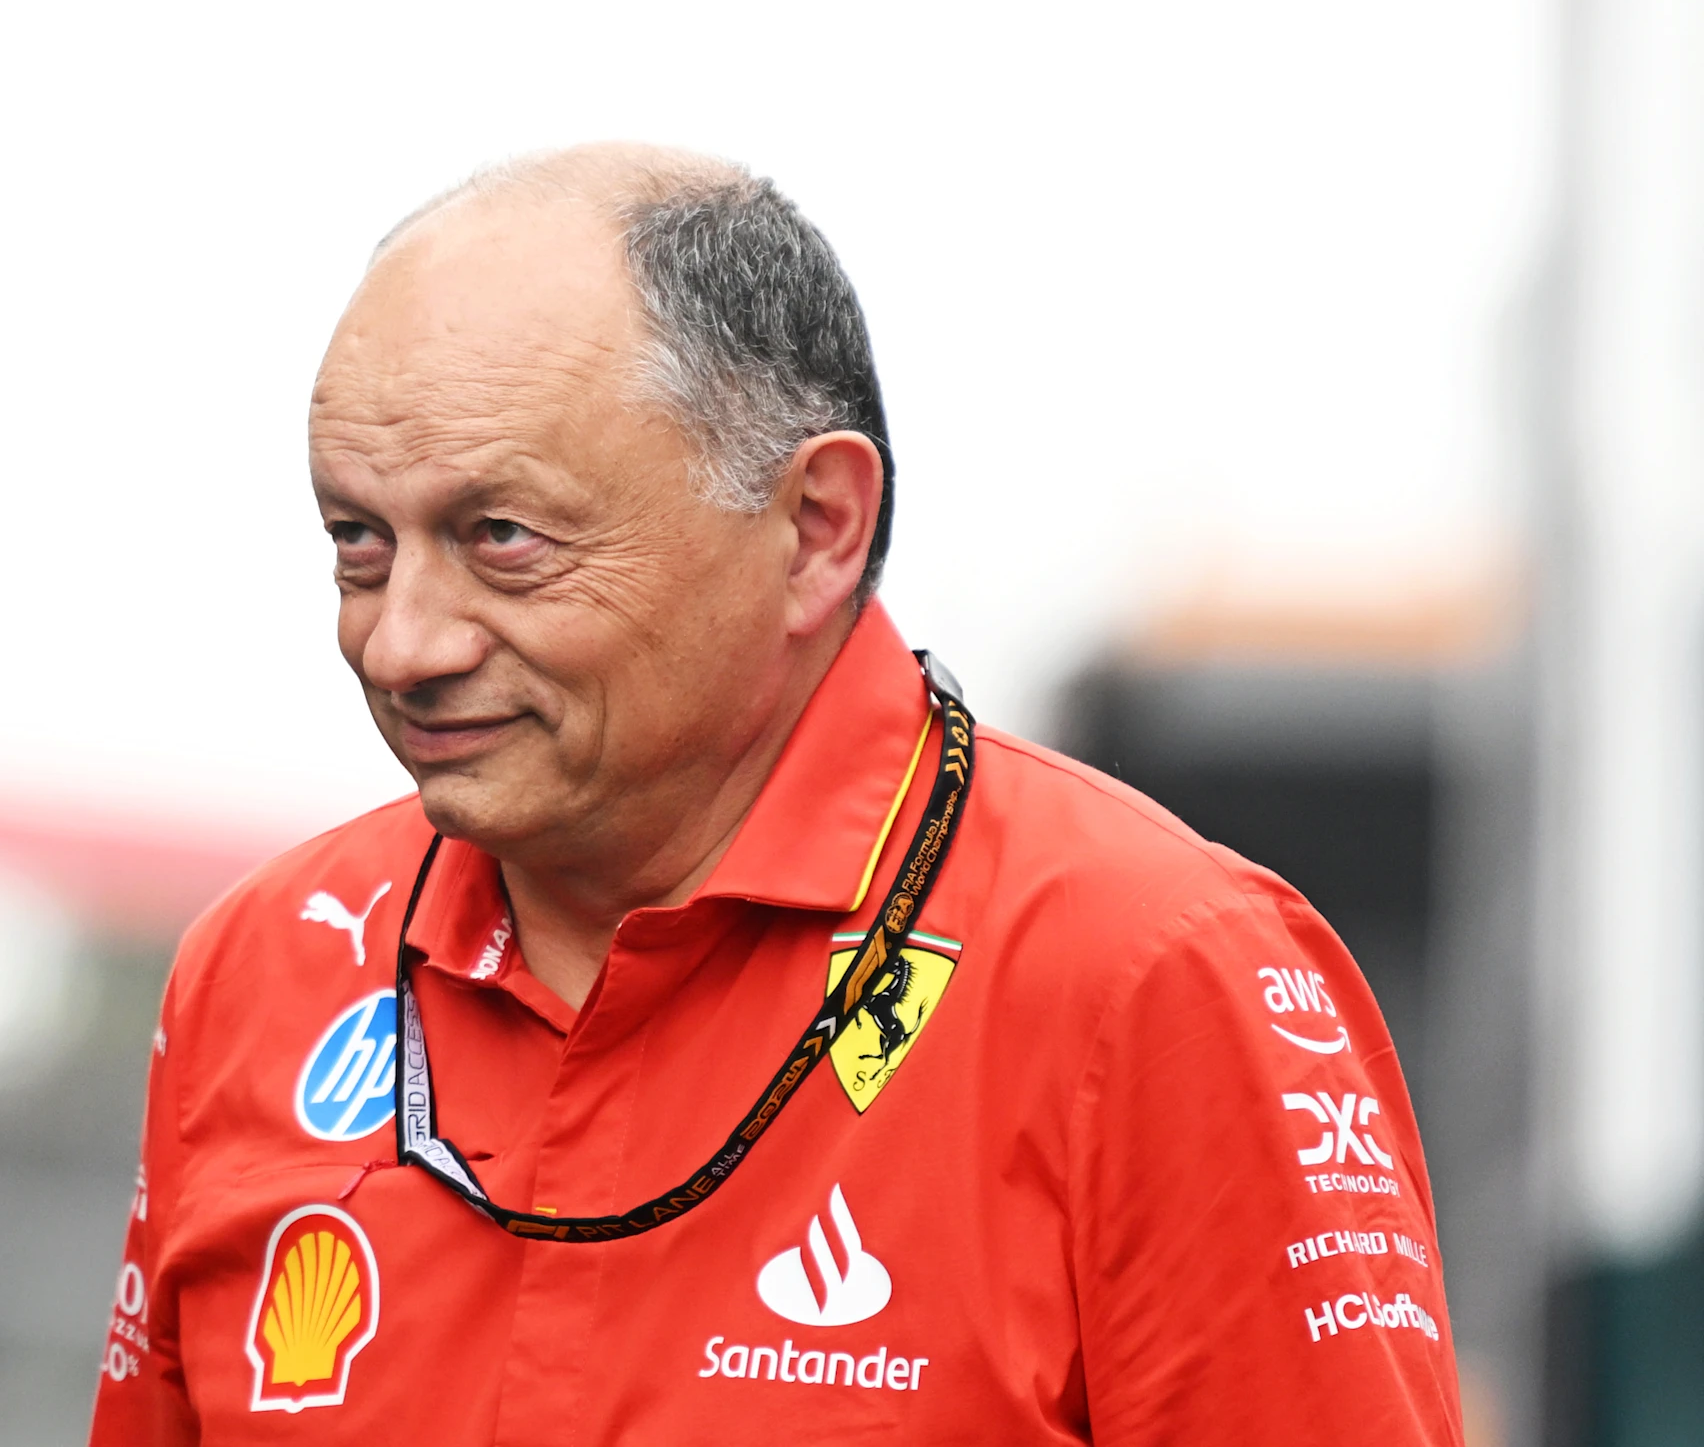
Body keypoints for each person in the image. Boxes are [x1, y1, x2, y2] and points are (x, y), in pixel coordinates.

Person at [88, 144, 1460, 1444]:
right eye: (360, 544)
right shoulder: (259, 974)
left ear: (815, 529)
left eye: (502, 539)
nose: (404, 644)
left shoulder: (1153, 975)